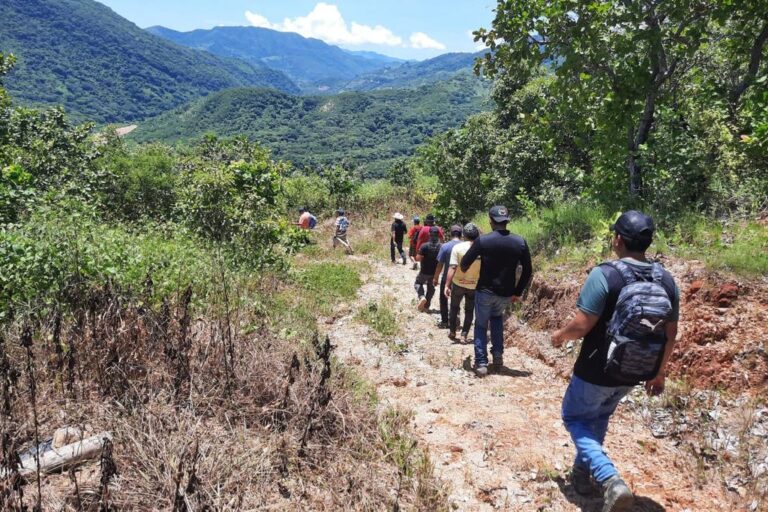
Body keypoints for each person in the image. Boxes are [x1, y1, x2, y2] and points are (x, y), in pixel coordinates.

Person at [550, 210, 679, 512]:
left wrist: (558, 337)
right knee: (599, 418)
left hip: (596, 368)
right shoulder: (667, 279)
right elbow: (670, 334)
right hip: (635, 369)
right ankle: (583, 475)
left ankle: (609, 479)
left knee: (575, 417)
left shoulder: (605, 274)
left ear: (618, 239)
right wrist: (658, 373)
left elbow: (582, 325)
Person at [460, 205, 532, 377]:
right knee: (497, 319)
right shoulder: (520, 242)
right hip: (505, 293)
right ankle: (498, 356)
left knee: (481, 325)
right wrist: (517, 291)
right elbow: (528, 270)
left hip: (485, 291)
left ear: (491, 221)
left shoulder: (483, 241)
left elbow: (464, 264)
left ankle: (481, 362)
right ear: (507, 221)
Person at [444, 223, 481, 343]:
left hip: (458, 283)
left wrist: (447, 285)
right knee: (469, 310)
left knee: (454, 307)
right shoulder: (482, 249)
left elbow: (452, 267)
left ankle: (452, 331)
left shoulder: (458, 248)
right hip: (474, 285)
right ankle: (464, 335)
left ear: (464, 235)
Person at [433, 225, 463, 329]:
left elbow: (440, 265)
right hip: (460, 277)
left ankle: (445, 321)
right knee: (457, 298)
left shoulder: (445, 246)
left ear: (450, 234)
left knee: (443, 298)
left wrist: (435, 277)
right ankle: (456, 318)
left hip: (447, 276)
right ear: (461, 234)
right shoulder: (465, 246)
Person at [414, 226, 442, 312]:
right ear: (438, 235)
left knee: (418, 283)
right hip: (434, 272)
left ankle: (422, 296)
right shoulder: (441, 247)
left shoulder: (424, 246)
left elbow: (417, 259)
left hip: (424, 271)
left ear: (429, 234)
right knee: (431, 288)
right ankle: (426, 306)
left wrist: (420, 254)